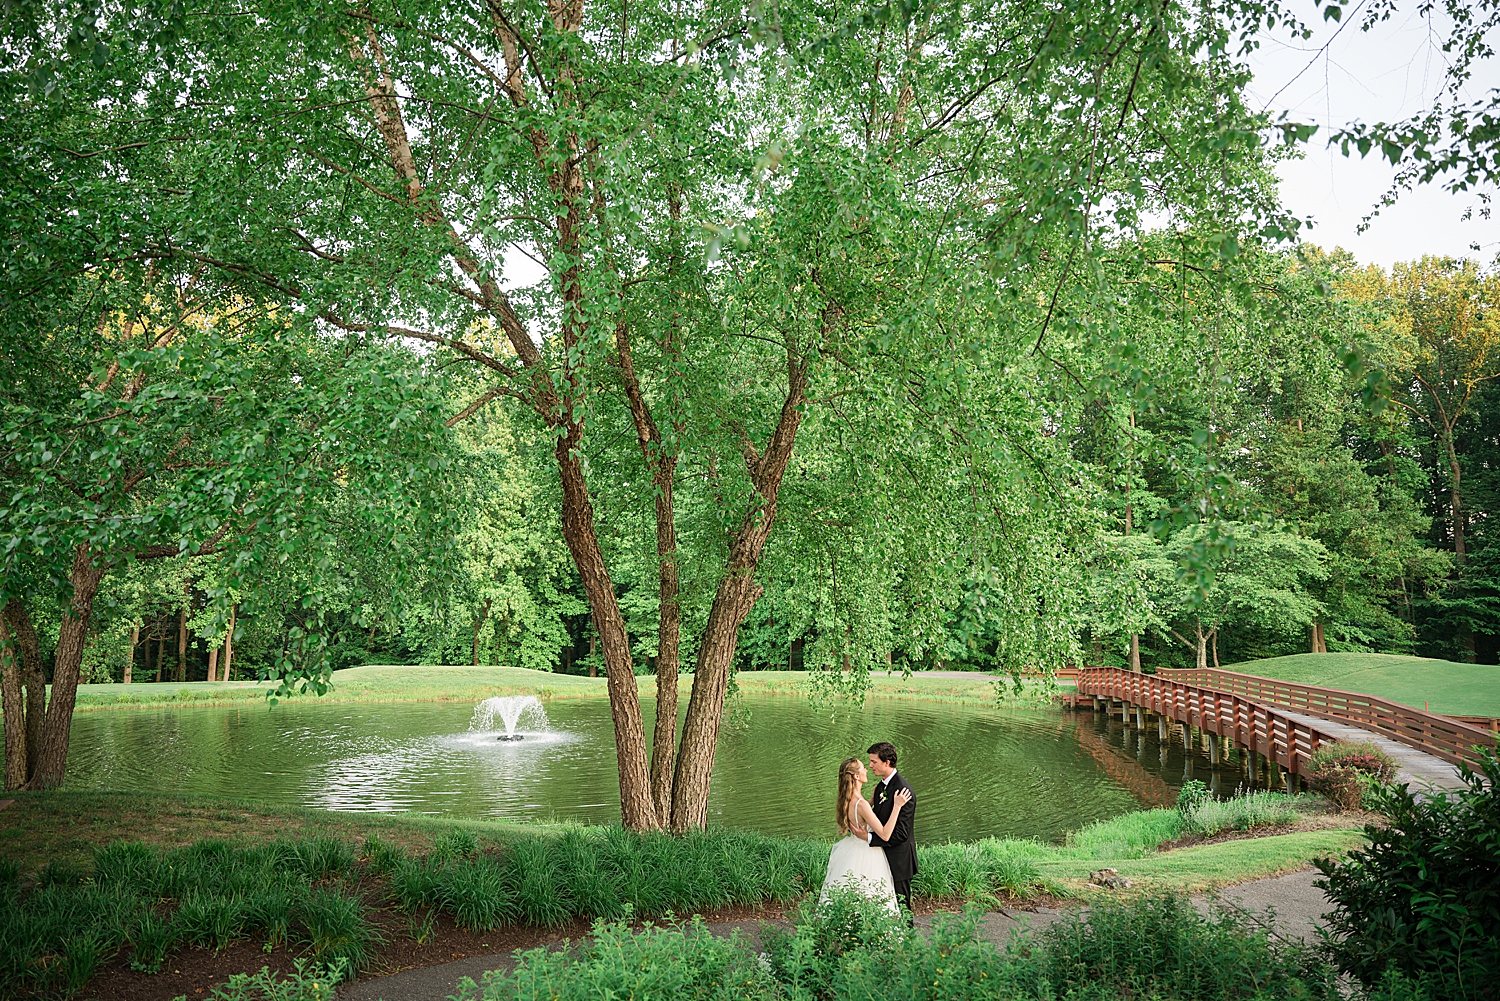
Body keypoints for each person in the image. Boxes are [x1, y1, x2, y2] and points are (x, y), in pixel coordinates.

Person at [818, 755, 912, 915]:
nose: (867, 769)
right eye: (863, 768)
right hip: (868, 853)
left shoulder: (848, 799)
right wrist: (897, 806)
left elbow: (858, 813)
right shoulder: (861, 804)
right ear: (856, 776)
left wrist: (870, 802)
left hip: (852, 849)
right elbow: (885, 834)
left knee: (851, 892)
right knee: (870, 892)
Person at [864, 741, 917, 920]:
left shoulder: (903, 791)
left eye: (874, 762)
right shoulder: (881, 787)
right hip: (881, 857)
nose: (870, 765)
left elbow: (901, 834)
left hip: (898, 860)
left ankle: (908, 943)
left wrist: (869, 838)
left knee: (901, 905)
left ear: (887, 762)